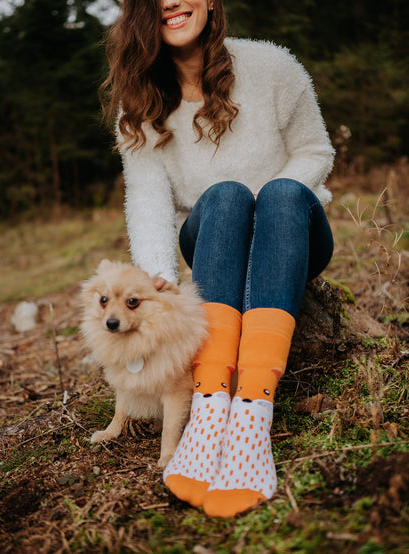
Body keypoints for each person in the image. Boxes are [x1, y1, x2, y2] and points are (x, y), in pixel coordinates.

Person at [101, 0, 335, 517]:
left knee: (274, 195)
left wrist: (273, 205)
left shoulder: (273, 66)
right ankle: (210, 409)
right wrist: (159, 272)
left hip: (292, 231)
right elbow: (146, 195)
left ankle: (252, 416)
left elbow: (316, 151)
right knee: (227, 196)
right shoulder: (140, 102)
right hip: (215, 239)